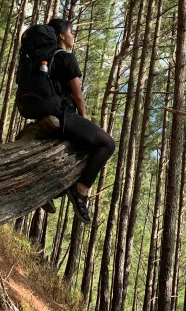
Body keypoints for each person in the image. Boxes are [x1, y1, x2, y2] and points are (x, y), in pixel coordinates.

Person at [47, 17, 116, 225]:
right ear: (61, 35)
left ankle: (54, 190)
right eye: (70, 31)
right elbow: (78, 96)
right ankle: (81, 191)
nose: (72, 35)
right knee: (107, 144)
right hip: (64, 116)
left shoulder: (47, 57)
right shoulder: (67, 58)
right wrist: (83, 120)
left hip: (47, 111)